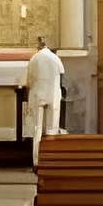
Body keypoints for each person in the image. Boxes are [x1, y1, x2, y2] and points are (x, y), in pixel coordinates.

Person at [24, 35, 64, 163]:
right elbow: (61, 74)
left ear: (38, 46)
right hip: (52, 94)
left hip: (37, 95)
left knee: (37, 129)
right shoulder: (55, 58)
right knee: (52, 128)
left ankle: (36, 161)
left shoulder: (34, 58)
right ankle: (51, 160)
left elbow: (29, 81)